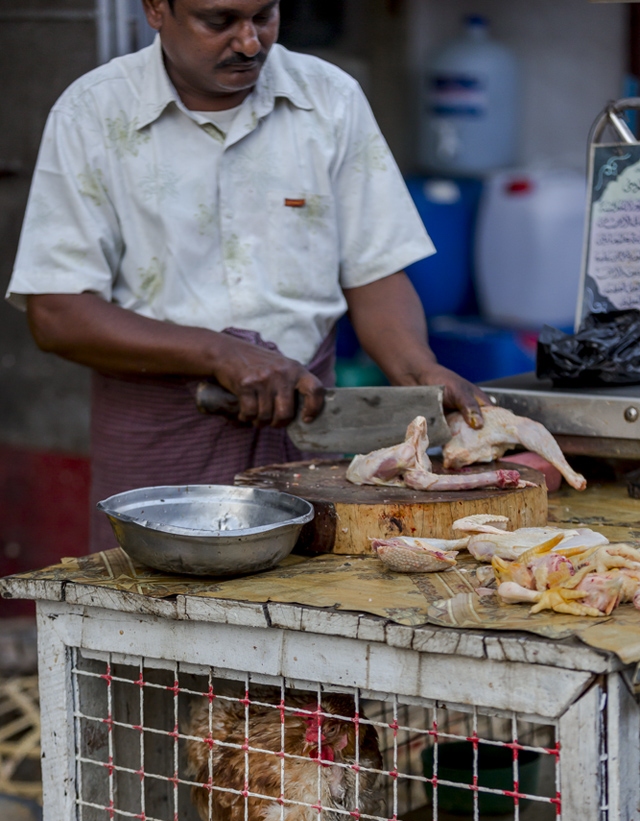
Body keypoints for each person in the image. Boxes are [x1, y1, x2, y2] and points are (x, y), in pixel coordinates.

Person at [7, 0, 489, 550]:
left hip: (308, 434)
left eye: (265, 16)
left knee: (315, 609)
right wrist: (220, 354)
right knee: (150, 615)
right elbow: (56, 313)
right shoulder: (93, 113)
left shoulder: (328, 98)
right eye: (220, 22)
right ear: (156, 9)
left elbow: (374, 271)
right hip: (162, 438)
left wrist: (418, 372)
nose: (250, 43)